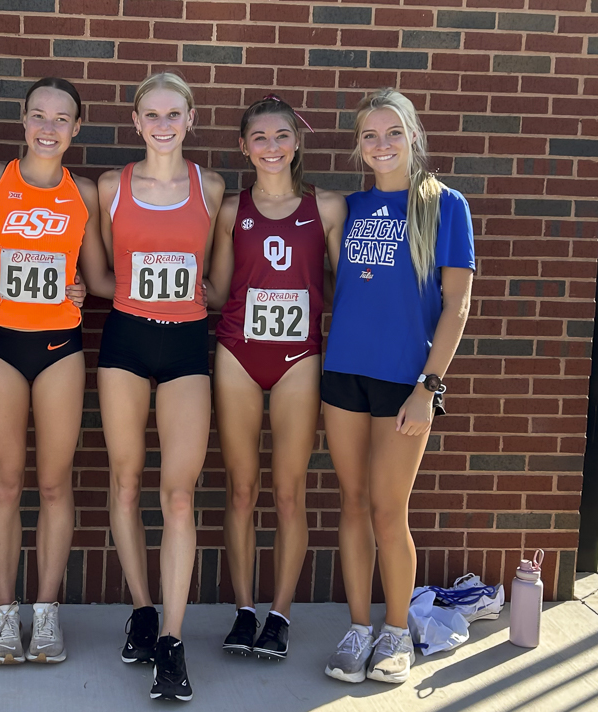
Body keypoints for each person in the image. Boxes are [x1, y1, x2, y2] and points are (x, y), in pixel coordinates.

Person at [321, 88, 475, 684]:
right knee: (353, 505)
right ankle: (358, 628)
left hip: (405, 383)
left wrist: (428, 386)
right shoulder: (352, 209)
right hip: (344, 376)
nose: (381, 144)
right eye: (369, 135)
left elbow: (457, 303)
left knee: (390, 511)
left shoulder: (444, 205)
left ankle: (393, 632)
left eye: (392, 132)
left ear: (412, 136)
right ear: (359, 146)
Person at [0, 78, 112, 665]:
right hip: (1, 344)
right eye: (38, 117)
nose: (48, 128)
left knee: (54, 483)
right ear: (22, 120)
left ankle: (46, 614)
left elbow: (97, 276)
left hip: (61, 347)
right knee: (4, 483)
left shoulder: (84, 194)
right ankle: (5, 617)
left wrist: (86, 288)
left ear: (76, 128)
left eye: (61, 119)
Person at [97, 72, 225, 702]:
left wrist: (207, 293)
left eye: (175, 113)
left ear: (190, 118)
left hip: (184, 345)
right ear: (136, 119)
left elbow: (219, 283)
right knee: (125, 482)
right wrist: (79, 288)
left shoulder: (212, 186)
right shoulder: (110, 187)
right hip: (124, 339)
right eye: (153, 113)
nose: (164, 124)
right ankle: (143, 609)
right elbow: (96, 271)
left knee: (178, 495)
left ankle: (172, 641)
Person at [204, 96, 346, 661]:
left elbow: (343, 288)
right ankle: (244, 609)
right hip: (238, 352)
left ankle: (280, 613)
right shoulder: (229, 209)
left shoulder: (327, 207)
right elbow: (216, 291)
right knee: (241, 489)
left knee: (289, 493)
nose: (270, 146)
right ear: (243, 146)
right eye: (258, 137)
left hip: (298, 358)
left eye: (281, 135)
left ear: (296, 142)